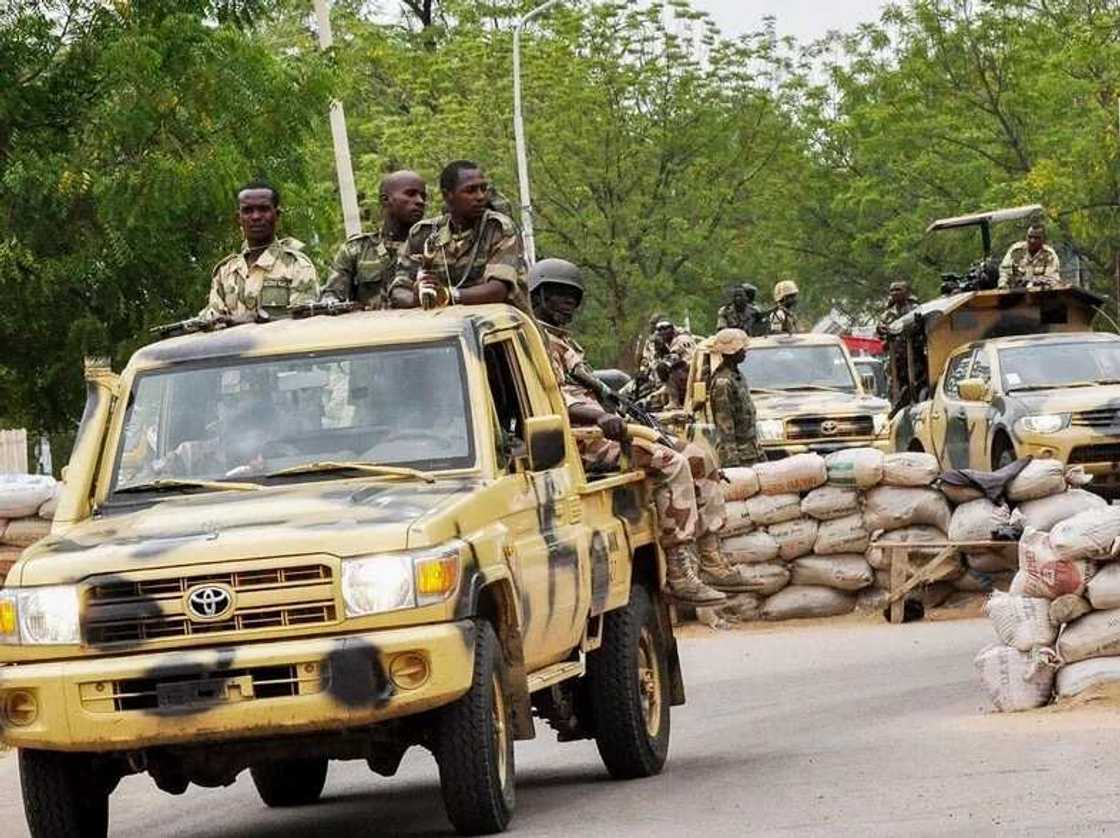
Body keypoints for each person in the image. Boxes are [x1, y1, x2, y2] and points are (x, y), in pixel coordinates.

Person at [530, 258, 759, 604]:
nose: (568, 303)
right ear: (539, 294)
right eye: (560, 295)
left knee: (701, 458)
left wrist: (613, 412)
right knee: (671, 463)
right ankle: (680, 573)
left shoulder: (563, 342)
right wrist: (599, 417)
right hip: (575, 439)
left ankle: (712, 558)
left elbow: (592, 387)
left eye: (573, 297)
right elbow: (556, 398)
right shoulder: (533, 340)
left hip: (602, 429)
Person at [388, 160, 530, 313]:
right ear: (447, 195)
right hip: (443, 328)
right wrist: (416, 299)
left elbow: (498, 290)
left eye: (483, 189)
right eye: (470, 191)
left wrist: (448, 295)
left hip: (499, 326)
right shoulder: (424, 233)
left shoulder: (498, 228)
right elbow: (398, 290)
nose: (481, 196)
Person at [201, 180, 319, 321]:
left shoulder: (298, 266)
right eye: (248, 211)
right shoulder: (225, 272)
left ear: (277, 215)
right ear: (239, 218)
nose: (256, 217)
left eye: (263, 209)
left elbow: (303, 324)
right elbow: (213, 325)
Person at [322, 170, 427, 308]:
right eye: (410, 194)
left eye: (423, 196)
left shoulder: (433, 248)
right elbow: (332, 296)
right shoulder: (356, 250)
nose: (420, 201)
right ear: (385, 200)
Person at [707, 329, 766, 466]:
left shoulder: (736, 375)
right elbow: (725, 425)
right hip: (739, 456)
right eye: (741, 349)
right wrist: (732, 461)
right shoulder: (723, 382)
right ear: (732, 352)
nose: (745, 351)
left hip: (752, 451)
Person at [999, 223, 1061, 288]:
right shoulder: (1016, 250)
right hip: (1016, 292)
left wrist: (1032, 282)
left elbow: (1052, 279)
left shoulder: (1049, 254)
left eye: (1036, 238)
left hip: (1040, 294)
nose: (1032, 241)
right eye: (1030, 237)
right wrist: (1003, 285)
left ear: (1043, 239)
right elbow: (1005, 271)